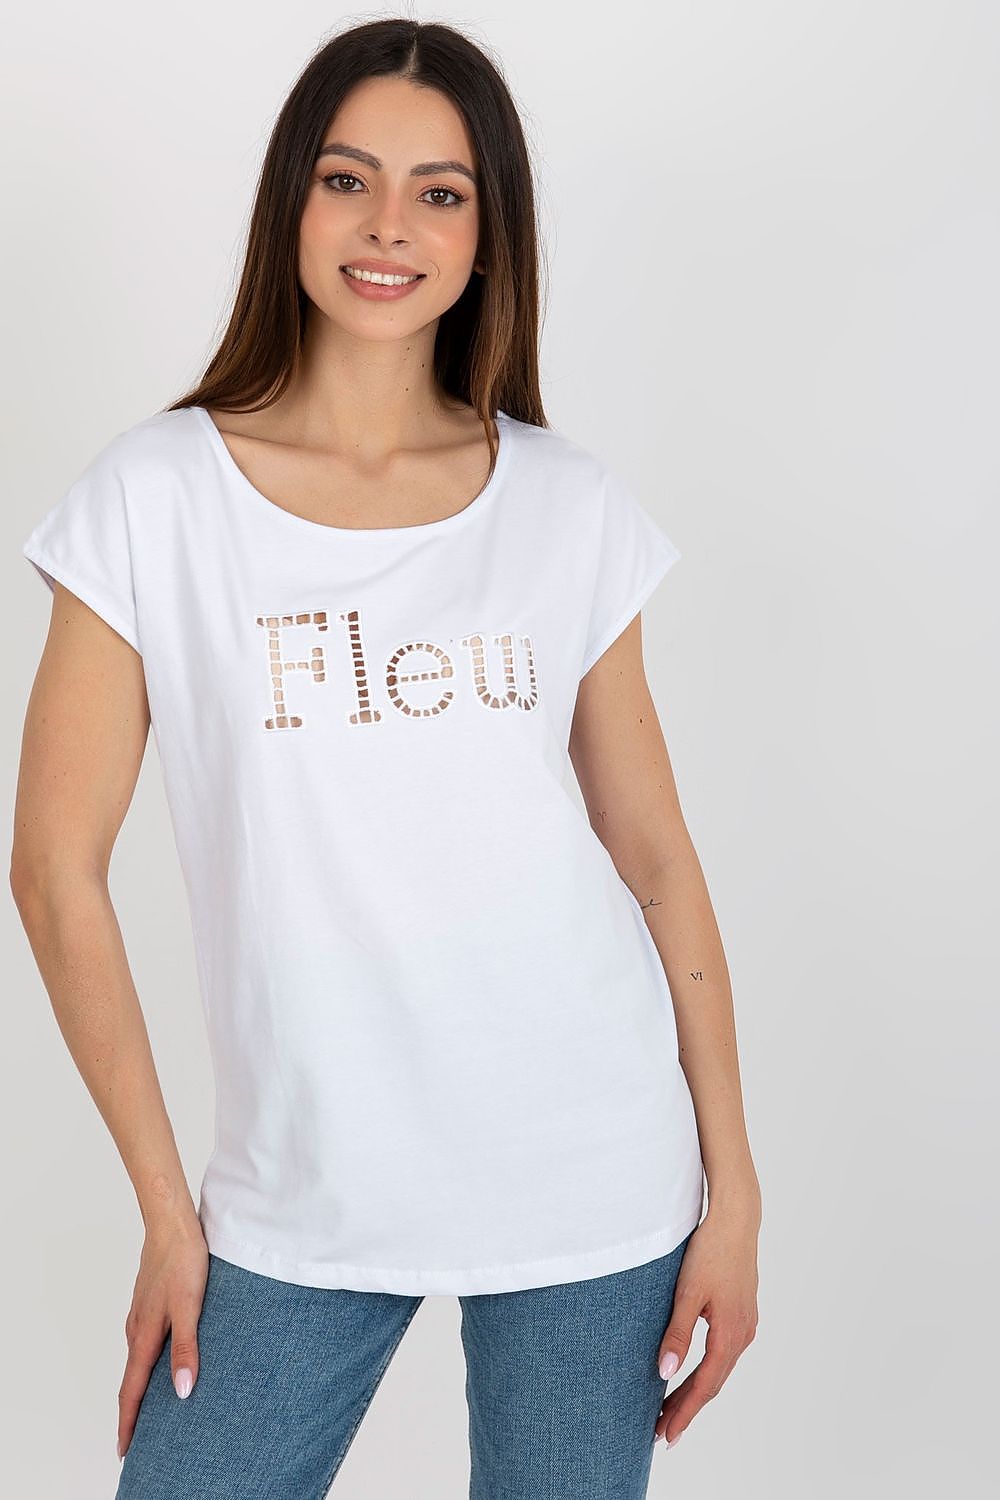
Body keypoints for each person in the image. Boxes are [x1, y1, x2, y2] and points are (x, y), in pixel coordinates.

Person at [11, 17, 761, 1500]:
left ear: (489, 233)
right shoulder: (155, 498)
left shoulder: (564, 505)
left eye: (441, 192)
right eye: (347, 179)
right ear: (290, 198)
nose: (388, 228)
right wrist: (167, 1211)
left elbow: (659, 863)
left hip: (593, 1180)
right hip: (300, 1195)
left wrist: (732, 1190)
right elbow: (53, 871)